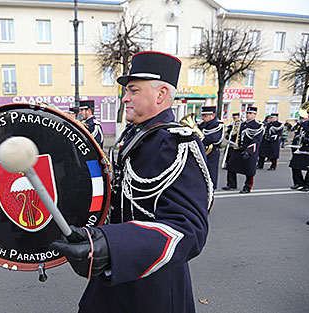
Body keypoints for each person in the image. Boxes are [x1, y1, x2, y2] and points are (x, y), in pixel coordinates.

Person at [50, 51, 212, 313]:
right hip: (114, 274)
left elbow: (190, 230)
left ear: (160, 95)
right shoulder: (136, 136)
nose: (125, 98)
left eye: (133, 90)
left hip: (152, 284)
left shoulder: (176, 143)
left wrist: (114, 246)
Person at [222, 107, 264, 193]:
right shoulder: (241, 124)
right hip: (238, 149)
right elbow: (237, 136)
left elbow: (256, 140)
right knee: (231, 166)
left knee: (249, 170)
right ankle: (231, 184)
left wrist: (249, 151)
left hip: (249, 150)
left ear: (255, 115)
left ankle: (247, 187)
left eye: (250, 113)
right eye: (247, 113)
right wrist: (230, 138)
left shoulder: (258, 126)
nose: (248, 115)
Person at [288, 104, 309, 191]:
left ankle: (308, 184)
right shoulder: (305, 123)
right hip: (302, 148)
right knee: (294, 164)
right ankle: (298, 182)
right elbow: (299, 133)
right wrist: (297, 137)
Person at [198, 106, 224, 189]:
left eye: (205, 116)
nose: (202, 118)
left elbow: (216, 139)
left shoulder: (218, 125)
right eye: (203, 115)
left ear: (212, 116)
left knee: (211, 172)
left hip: (212, 152)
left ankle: (210, 188)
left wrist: (201, 139)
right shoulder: (202, 125)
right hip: (202, 151)